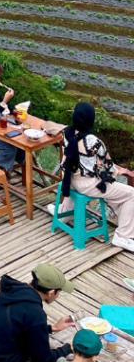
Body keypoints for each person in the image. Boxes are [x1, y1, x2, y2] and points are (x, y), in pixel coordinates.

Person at [61, 102, 134, 253]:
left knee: (114, 193)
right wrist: (119, 171)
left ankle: (62, 215)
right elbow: (109, 166)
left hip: (69, 178)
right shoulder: (93, 141)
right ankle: (123, 235)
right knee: (131, 194)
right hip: (87, 184)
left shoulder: (67, 132)